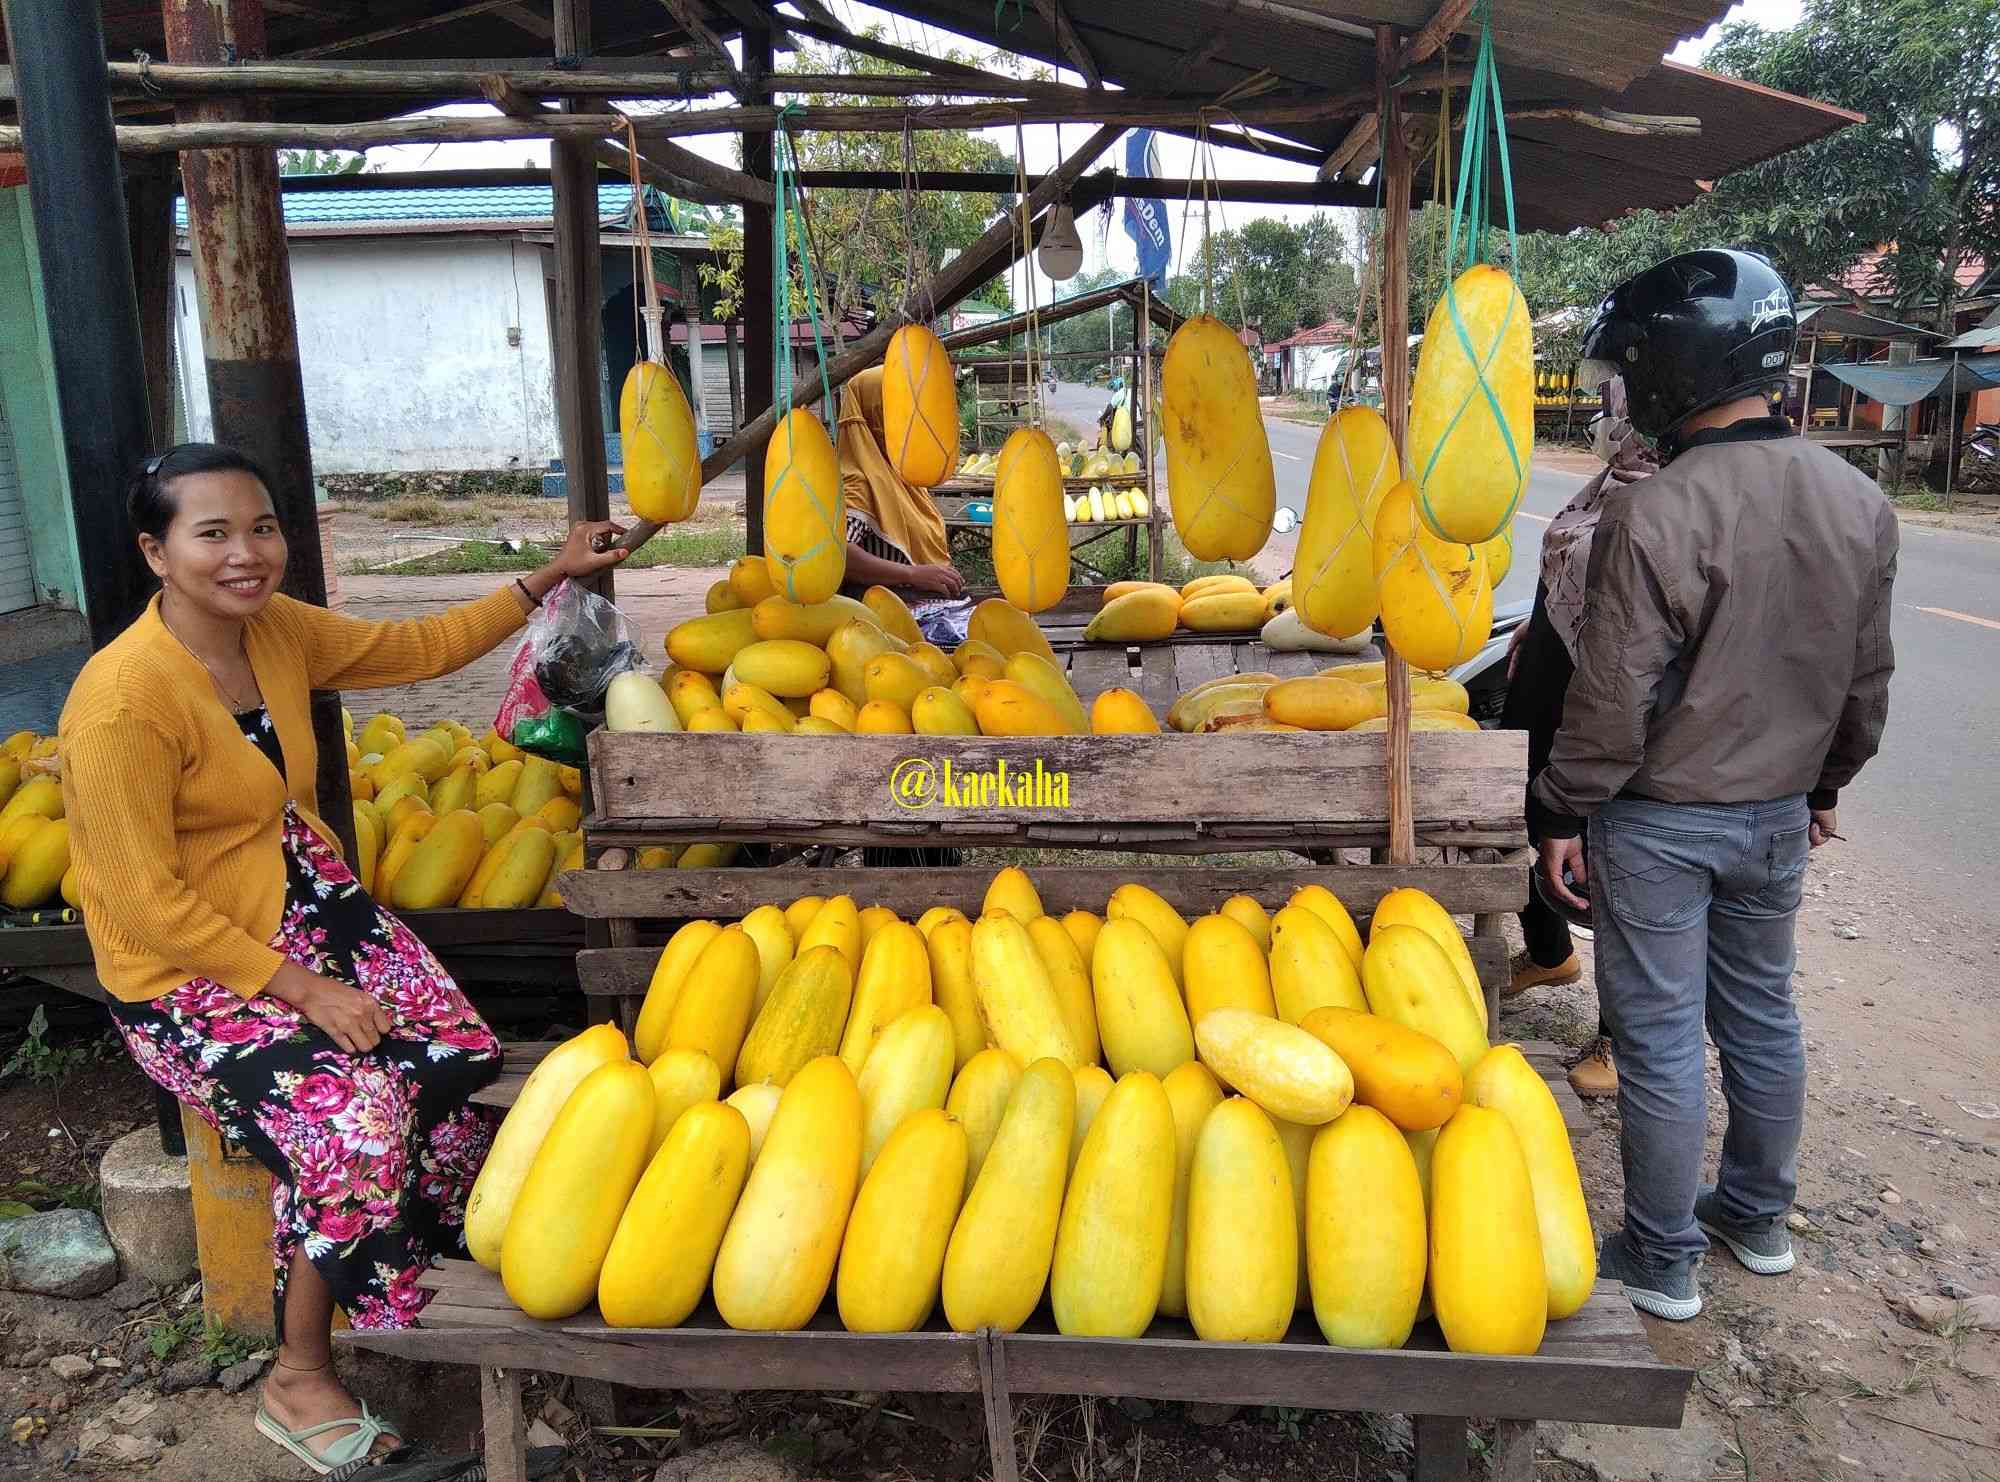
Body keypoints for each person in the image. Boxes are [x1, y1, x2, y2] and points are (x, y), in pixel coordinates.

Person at [59, 443, 625, 1470]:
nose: (247, 554)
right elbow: (145, 904)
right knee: (351, 1118)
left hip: (296, 904)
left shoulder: (270, 629)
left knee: (451, 1052)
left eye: (262, 527)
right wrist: (305, 990)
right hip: (182, 974)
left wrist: (549, 574)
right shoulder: (120, 701)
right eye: (213, 533)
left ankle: (412, 1266)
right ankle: (300, 1370)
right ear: (155, 551)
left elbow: (411, 646)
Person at [1533, 250, 1897, 1321]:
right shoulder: (1856, 500)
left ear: (1669, 370)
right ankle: (1754, 1216)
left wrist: (1559, 809)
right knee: (1761, 1020)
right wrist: (1822, 785)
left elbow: (1610, 700)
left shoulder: (1656, 511)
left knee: (1653, 1040)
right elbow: (1863, 681)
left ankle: (1659, 1258)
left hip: (1657, 825)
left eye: (1628, 370)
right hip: (1778, 817)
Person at [1502, 376, 1658, 1099]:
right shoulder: (1605, 486)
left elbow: (1638, 632)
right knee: (1529, 823)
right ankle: (1548, 951)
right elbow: (1570, 578)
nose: (1603, 421)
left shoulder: (1664, 496)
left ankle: (1617, 1038)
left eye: (1612, 410)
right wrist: (1539, 625)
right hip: (1550, 691)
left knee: (1613, 872)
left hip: (1607, 713)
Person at [837, 366, 967, 628]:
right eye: (897, 410)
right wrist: (912, 574)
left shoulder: (901, 473)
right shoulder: (858, 479)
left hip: (921, 609)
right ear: (875, 414)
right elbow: (840, 554)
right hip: (883, 622)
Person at [1095, 375, 1128, 449]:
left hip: (1125, 422)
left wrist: (1102, 417)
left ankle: (1114, 446)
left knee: (1110, 425)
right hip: (1137, 420)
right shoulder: (1130, 391)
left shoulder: (1119, 393)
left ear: (1118, 386)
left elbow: (1110, 407)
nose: (1114, 390)